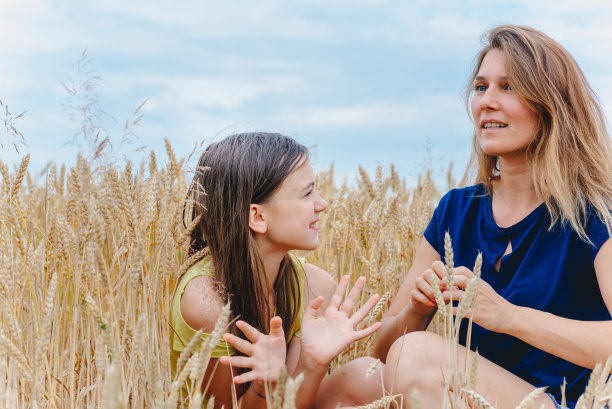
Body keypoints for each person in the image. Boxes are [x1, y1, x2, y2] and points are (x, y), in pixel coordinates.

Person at [373, 25, 612, 409]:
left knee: (415, 356)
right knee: (354, 380)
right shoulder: (456, 210)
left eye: (509, 87)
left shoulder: (595, 212)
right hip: (471, 396)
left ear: (551, 103)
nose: (487, 101)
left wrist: (508, 316)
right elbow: (380, 356)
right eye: (481, 87)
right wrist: (417, 311)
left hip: (564, 403)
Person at [169, 132, 384, 409]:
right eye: (307, 193)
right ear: (257, 217)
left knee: (366, 376)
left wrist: (312, 362)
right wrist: (263, 384)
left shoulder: (313, 287)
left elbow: (291, 405)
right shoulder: (207, 302)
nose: (322, 204)